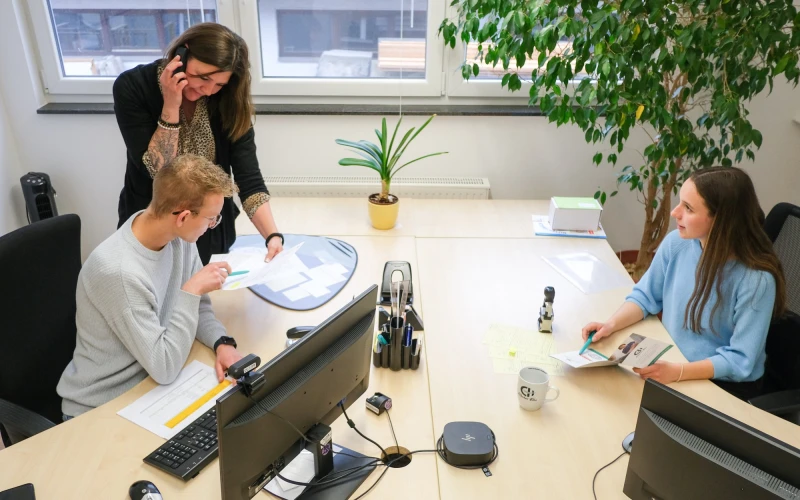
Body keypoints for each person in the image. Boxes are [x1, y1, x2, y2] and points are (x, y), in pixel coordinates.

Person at [58, 154, 245, 419]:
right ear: (181, 217)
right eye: (211, 219)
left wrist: (222, 343)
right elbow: (165, 367)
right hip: (103, 407)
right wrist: (190, 290)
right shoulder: (119, 272)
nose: (213, 227)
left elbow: (197, 308)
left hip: (150, 384)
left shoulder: (178, 237)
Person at [581, 166, 786, 400]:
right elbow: (645, 297)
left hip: (722, 383)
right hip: (675, 362)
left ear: (720, 220)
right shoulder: (677, 244)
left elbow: (740, 361)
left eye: (688, 208)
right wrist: (611, 325)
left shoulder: (756, 280)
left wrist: (678, 372)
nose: (675, 212)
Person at [113, 22, 283, 264]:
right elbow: (157, 170)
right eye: (202, 77)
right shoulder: (133, 86)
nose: (208, 90)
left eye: (219, 84)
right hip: (151, 222)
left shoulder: (228, 99)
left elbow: (249, 178)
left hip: (207, 225)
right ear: (182, 54)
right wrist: (171, 105)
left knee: (200, 296)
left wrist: (272, 236)